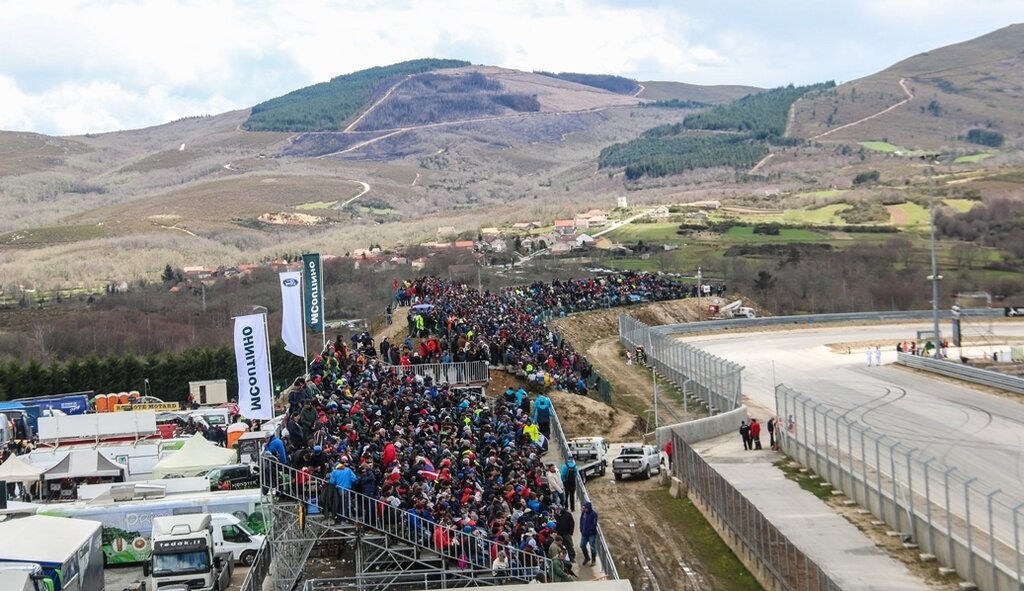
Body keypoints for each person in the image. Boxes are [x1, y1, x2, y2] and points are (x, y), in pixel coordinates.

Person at [579, 501, 598, 567]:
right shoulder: (583, 513)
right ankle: (587, 557)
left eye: (585, 508)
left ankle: (593, 560)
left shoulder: (594, 514)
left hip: (591, 534)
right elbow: (581, 520)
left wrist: (589, 530)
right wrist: (581, 528)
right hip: (584, 533)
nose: (584, 509)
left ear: (588, 508)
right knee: (582, 545)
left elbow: (594, 524)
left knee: (592, 547)